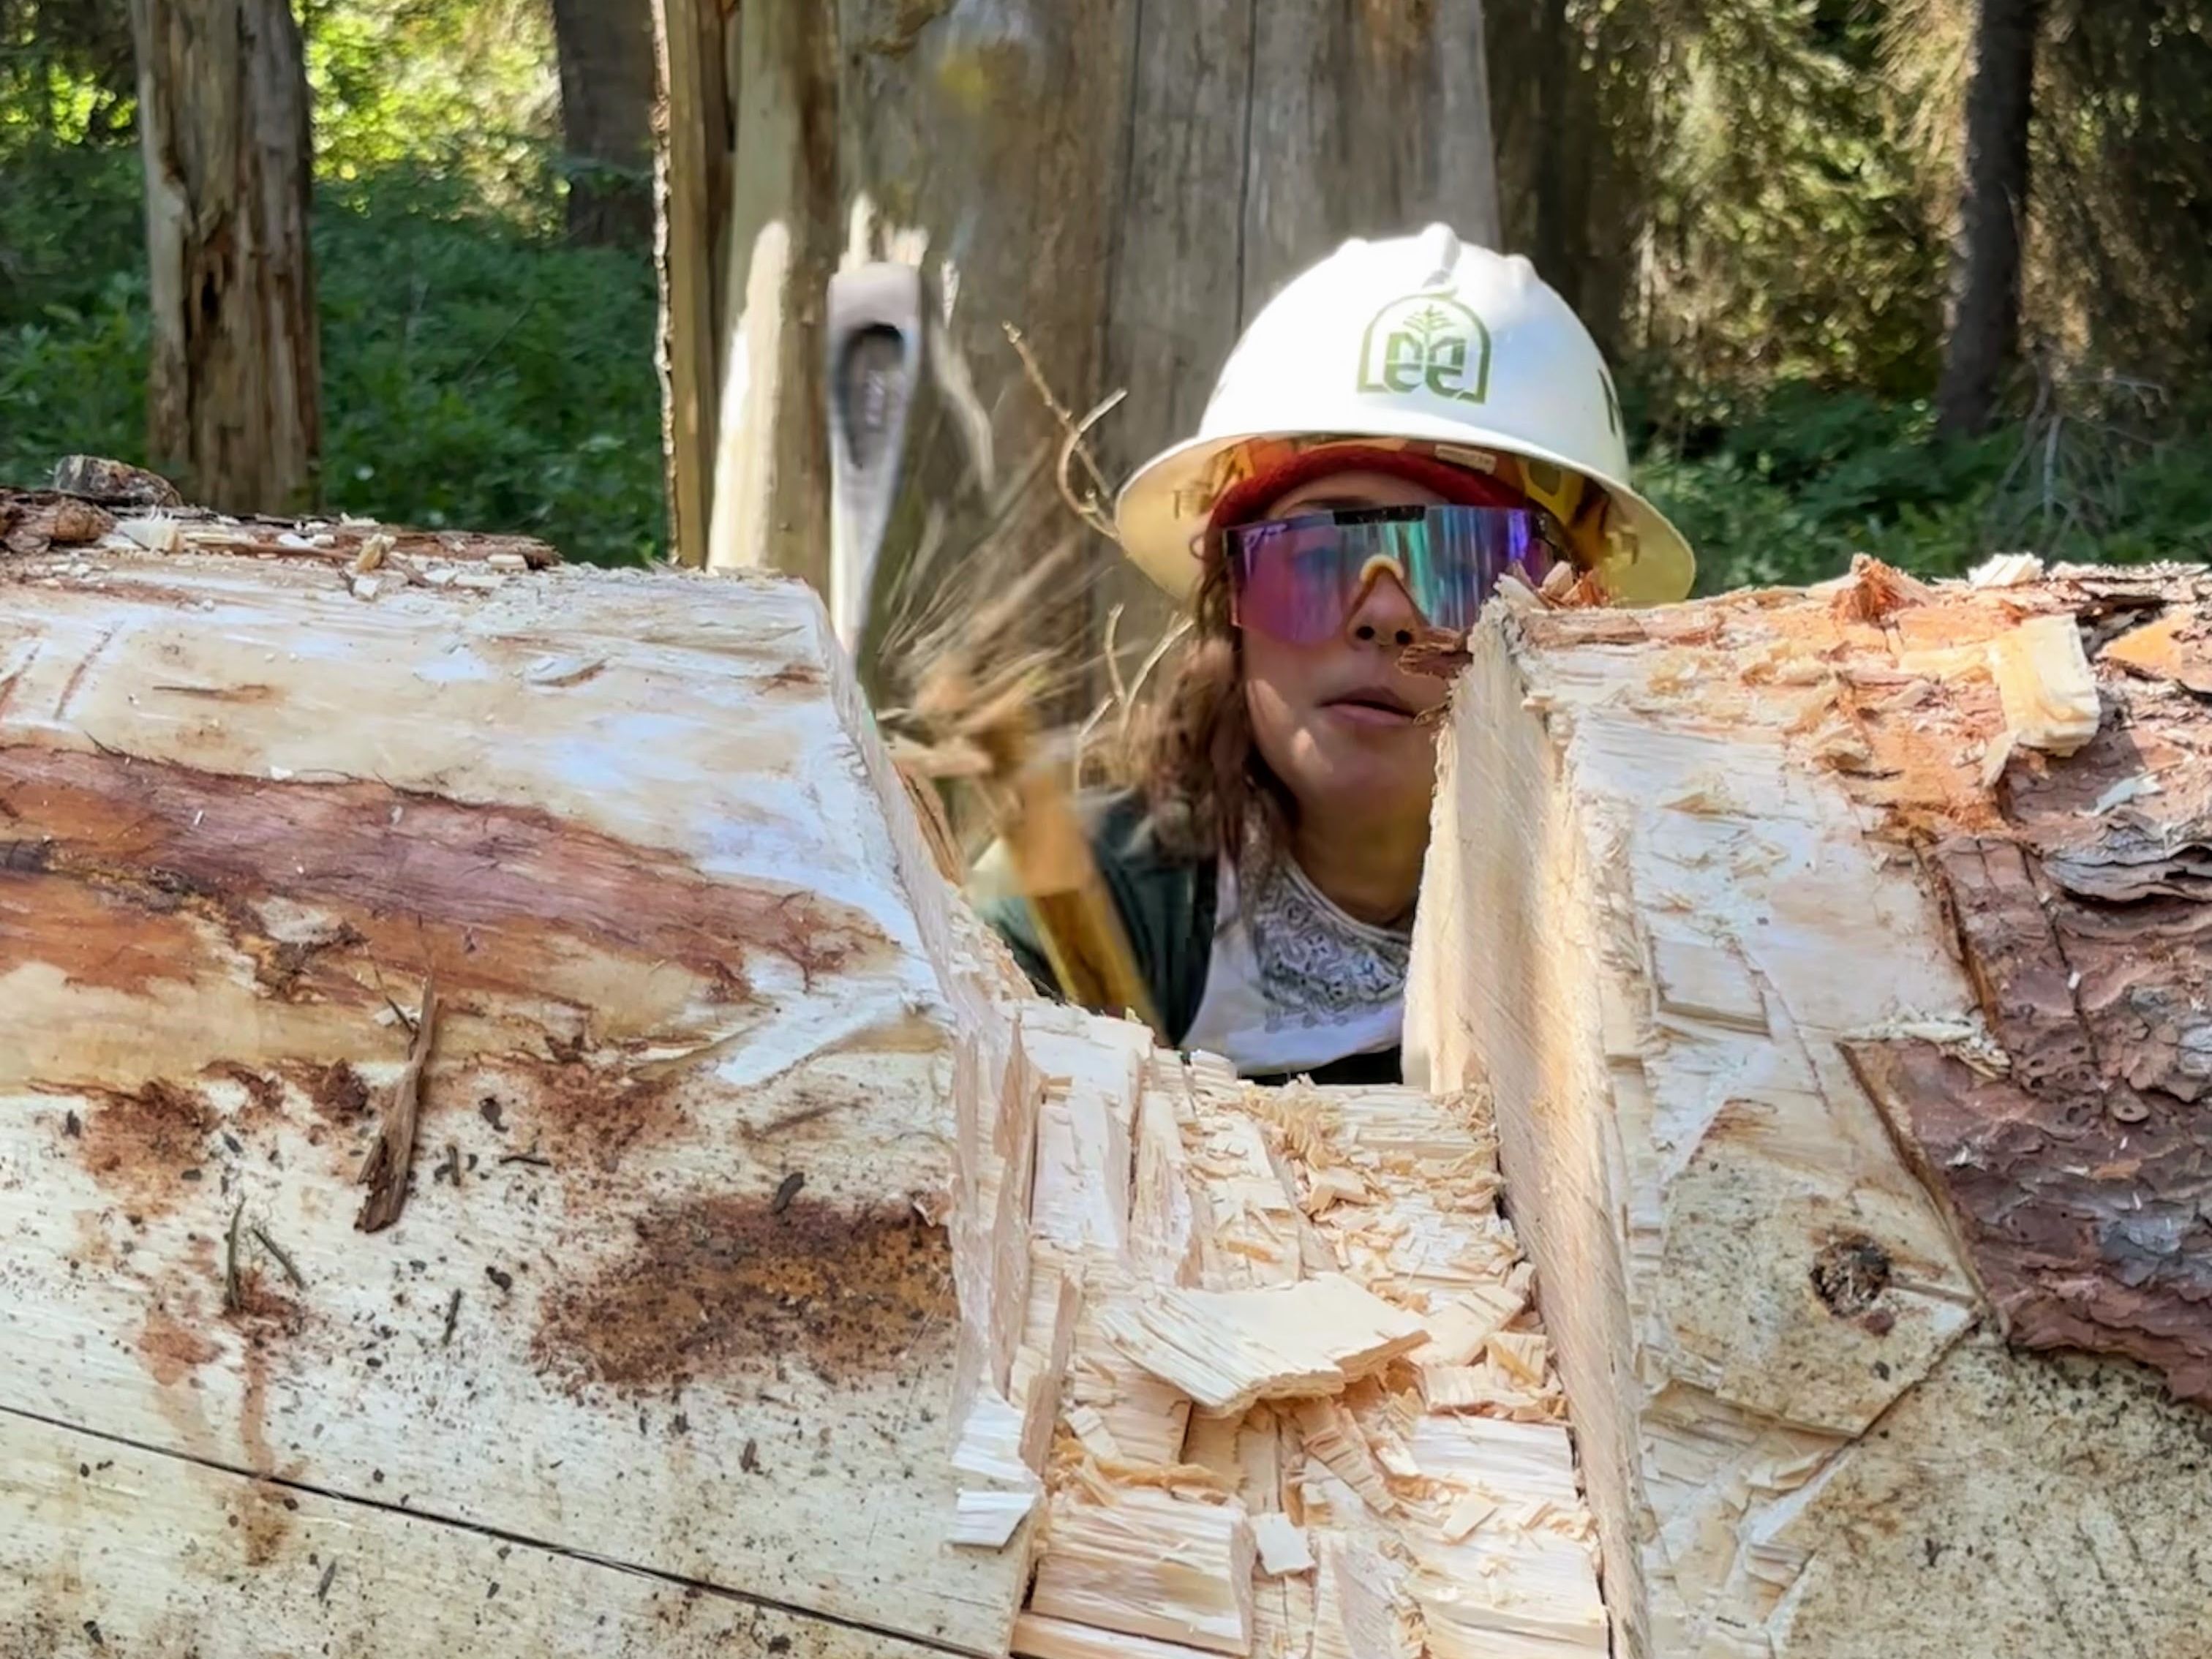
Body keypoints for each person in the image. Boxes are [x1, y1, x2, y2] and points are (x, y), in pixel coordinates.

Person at [977, 225, 1695, 1084]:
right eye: (1316, 559)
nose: (1385, 617)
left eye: (1463, 568)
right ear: (1230, 596)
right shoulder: (1075, 901)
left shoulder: (1659, 950)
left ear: (1572, 626)